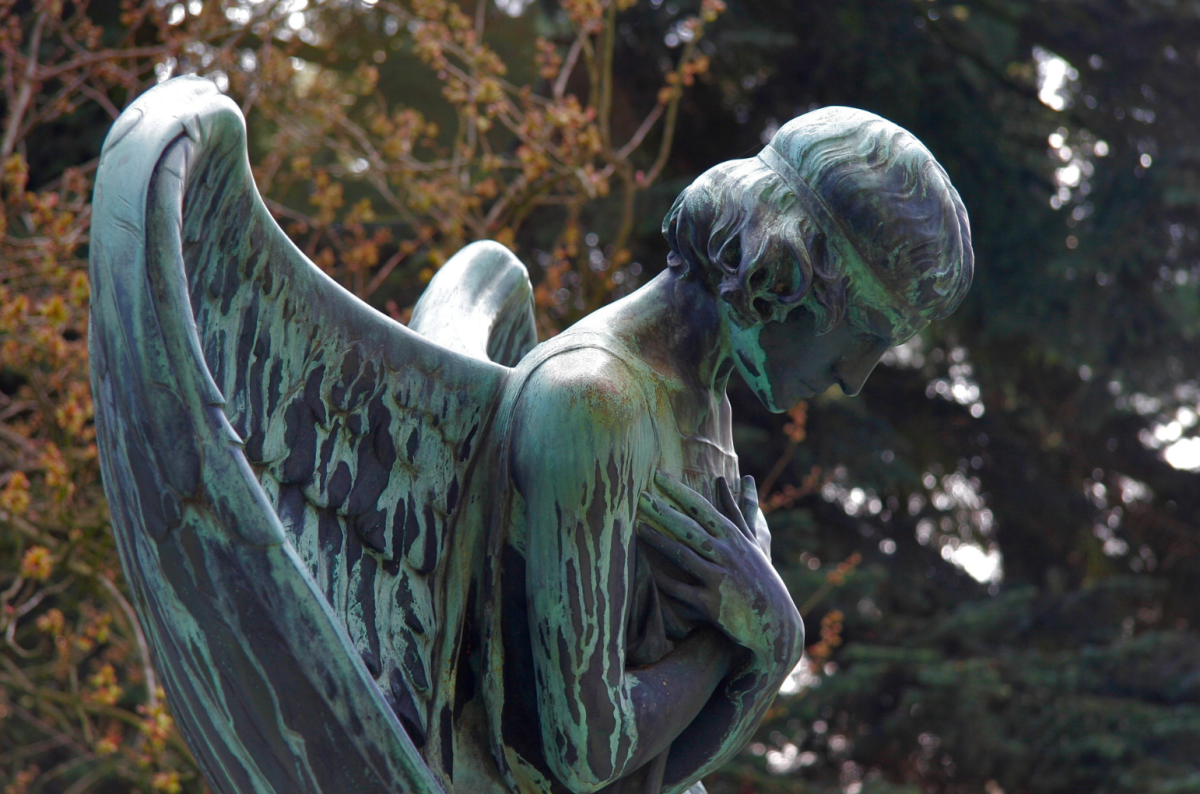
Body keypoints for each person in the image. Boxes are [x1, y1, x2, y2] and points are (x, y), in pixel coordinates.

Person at [476, 106, 974, 794]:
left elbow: (661, 773)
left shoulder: (706, 406)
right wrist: (753, 639)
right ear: (784, 267)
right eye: (866, 332)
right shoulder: (592, 403)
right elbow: (586, 752)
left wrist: (763, 645)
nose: (854, 377)